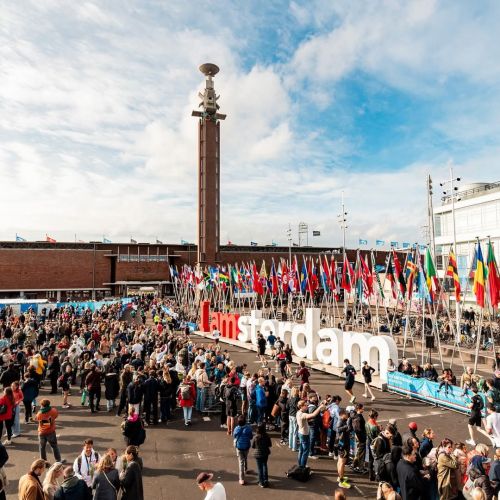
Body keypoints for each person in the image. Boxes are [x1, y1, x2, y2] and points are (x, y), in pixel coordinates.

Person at [296, 399, 325, 468]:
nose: (307, 406)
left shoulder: (298, 412)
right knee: (306, 451)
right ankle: (302, 466)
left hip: (300, 433)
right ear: (301, 406)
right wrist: (320, 407)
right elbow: (313, 415)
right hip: (304, 434)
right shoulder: (303, 414)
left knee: (301, 450)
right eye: (305, 405)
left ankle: (300, 465)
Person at [36, 399, 63, 463]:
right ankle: (58, 460)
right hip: (51, 432)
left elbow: (38, 419)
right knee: (54, 446)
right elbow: (56, 416)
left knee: (42, 447)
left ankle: (43, 462)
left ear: (42, 405)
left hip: (42, 432)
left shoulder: (40, 413)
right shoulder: (53, 411)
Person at [233, 415, 253, 485]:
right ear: (245, 422)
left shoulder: (236, 429)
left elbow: (234, 436)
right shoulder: (248, 428)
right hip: (246, 446)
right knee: (245, 457)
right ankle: (245, 469)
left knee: (241, 462)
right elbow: (251, 437)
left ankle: (241, 479)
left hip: (239, 447)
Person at [251, 423, 272, 488]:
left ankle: (261, 482)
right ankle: (266, 480)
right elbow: (270, 445)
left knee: (259, 468)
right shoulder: (267, 436)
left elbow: (253, 446)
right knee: (264, 465)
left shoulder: (256, 437)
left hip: (258, 454)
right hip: (265, 453)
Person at [350, 403, 367, 474]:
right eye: (362, 408)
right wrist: (361, 438)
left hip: (359, 437)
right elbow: (358, 429)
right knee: (361, 453)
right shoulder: (358, 418)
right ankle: (360, 468)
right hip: (361, 438)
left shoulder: (355, 416)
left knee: (359, 452)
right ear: (359, 409)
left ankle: (354, 465)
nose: (363, 409)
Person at [336, 409, 351, 489]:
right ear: (342, 414)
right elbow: (338, 429)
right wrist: (347, 426)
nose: (348, 415)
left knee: (340, 461)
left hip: (342, 444)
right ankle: (341, 482)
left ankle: (340, 477)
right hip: (343, 445)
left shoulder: (342, 420)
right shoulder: (340, 421)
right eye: (346, 414)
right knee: (342, 462)